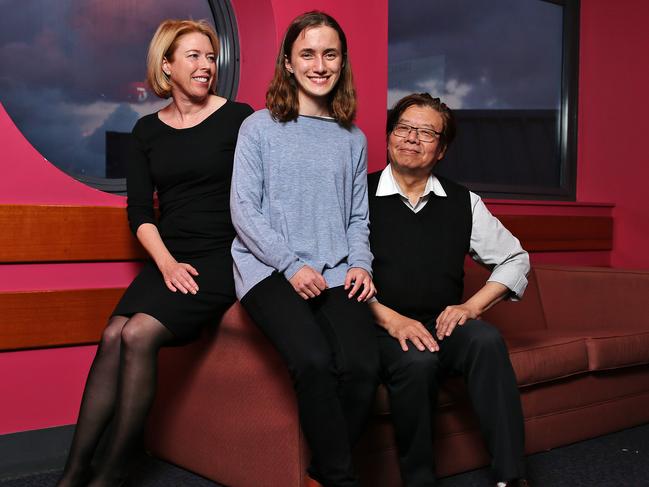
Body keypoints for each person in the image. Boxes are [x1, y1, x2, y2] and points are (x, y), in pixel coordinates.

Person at [57, 19, 253, 487]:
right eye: (194, 56)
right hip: (170, 256)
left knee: (139, 333)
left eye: (211, 57)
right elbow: (140, 211)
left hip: (221, 256)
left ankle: (111, 474)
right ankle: (73, 472)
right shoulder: (146, 131)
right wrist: (165, 262)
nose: (207, 65)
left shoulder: (241, 118)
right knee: (112, 335)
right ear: (166, 65)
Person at [230, 11, 379, 487]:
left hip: (336, 271)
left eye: (330, 54)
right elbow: (243, 211)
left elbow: (358, 216)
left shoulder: (353, 139)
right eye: (308, 53)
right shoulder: (258, 127)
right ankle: (341, 480)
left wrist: (361, 263)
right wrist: (291, 266)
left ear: (342, 62)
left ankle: (322, 473)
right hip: (267, 270)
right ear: (288, 63)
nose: (320, 64)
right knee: (314, 361)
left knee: (362, 369)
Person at [368, 93, 531, 487]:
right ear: (389, 136)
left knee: (486, 341)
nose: (412, 138)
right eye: (404, 128)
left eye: (426, 133)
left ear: (441, 150)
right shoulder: (357, 193)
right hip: (378, 322)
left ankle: (512, 477)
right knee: (417, 362)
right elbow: (336, 267)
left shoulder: (463, 201)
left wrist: (471, 308)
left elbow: (516, 258)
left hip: (441, 322)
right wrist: (390, 320)